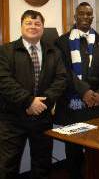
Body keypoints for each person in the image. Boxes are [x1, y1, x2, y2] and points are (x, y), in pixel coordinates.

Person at [0, 10, 66, 178]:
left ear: (43, 27)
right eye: (28, 23)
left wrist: (42, 103)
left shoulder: (54, 52)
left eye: (37, 24)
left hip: (42, 117)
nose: (33, 27)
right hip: (12, 119)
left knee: (42, 165)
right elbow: (4, 81)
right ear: (21, 26)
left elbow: (61, 79)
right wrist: (29, 102)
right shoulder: (6, 51)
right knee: (7, 166)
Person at [55, 2, 99, 179]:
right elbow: (64, 70)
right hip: (74, 104)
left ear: (92, 17)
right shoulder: (62, 41)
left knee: (97, 148)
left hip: (97, 104)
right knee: (73, 150)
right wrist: (85, 92)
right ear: (75, 17)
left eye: (89, 14)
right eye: (82, 14)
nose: (86, 17)